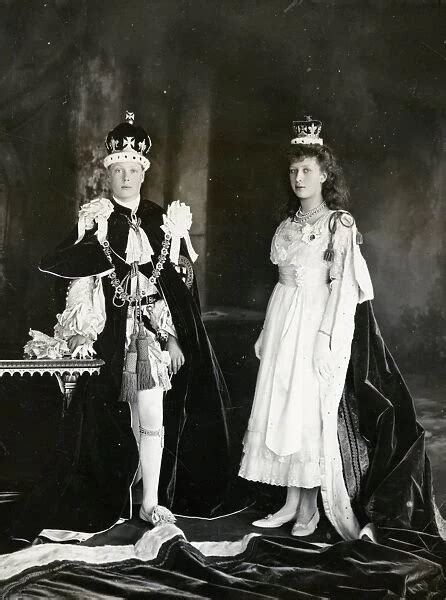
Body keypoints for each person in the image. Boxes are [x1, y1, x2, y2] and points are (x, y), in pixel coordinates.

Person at [10, 112, 231, 540]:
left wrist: (172, 336)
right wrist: (80, 332)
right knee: (105, 420)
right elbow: (82, 281)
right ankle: (113, 499)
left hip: (148, 336)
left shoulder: (159, 220)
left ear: (142, 174)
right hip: (107, 336)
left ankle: (149, 502)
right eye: (118, 171)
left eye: (133, 170)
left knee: (152, 415)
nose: (126, 177)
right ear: (108, 175)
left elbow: (170, 288)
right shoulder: (97, 218)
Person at [238, 116, 444, 542]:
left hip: (317, 320)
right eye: (294, 171)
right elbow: (284, 281)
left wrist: (325, 336)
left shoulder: (339, 224)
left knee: (309, 409)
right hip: (283, 319)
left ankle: (311, 509)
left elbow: (346, 288)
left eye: (307, 171)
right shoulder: (287, 226)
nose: (299, 178)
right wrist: (264, 332)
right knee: (282, 404)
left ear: (324, 174)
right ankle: (291, 502)